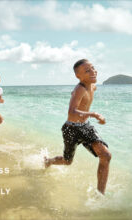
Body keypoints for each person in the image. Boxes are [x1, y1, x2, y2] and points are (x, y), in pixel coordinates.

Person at [44, 59, 111, 194]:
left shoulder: (93, 86)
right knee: (67, 161)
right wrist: (93, 114)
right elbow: (72, 111)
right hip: (71, 129)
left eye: (93, 68)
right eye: (87, 71)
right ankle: (49, 161)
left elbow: (86, 100)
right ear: (78, 76)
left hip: (85, 127)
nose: (93, 72)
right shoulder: (79, 89)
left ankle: (100, 194)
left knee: (106, 155)